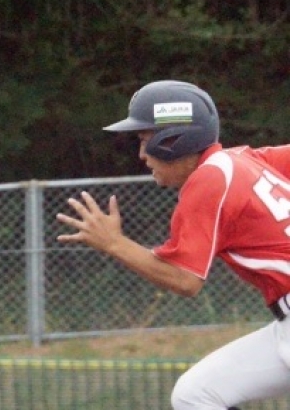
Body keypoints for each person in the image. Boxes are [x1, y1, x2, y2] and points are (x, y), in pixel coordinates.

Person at [56, 80, 290, 410]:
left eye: (145, 140)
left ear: (174, 139)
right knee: (195, 393)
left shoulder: (209, 179)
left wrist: (113, 243)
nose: (141, 155)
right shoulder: (242, 160)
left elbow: (184, 279)